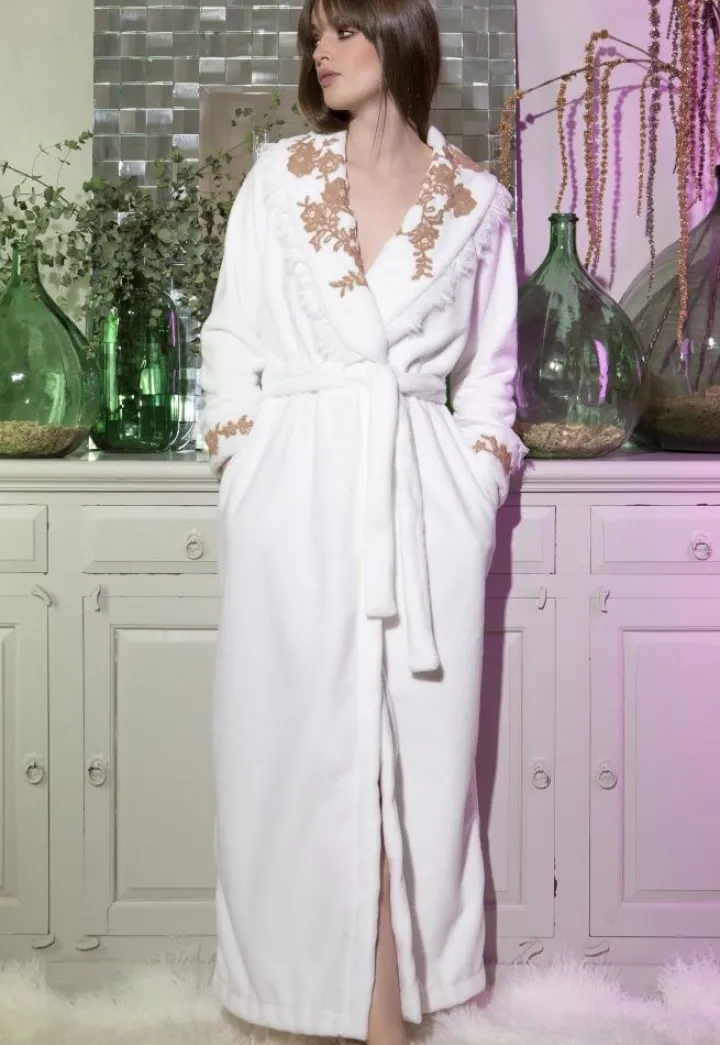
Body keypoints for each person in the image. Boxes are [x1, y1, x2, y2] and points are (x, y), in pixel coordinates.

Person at [199, 0, 526, 1042]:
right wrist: (249, 468)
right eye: (314, 36)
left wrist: (471, 491)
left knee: (412, 766)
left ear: (399, 34)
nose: (322, 51)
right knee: (296, 759)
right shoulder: (279, 179)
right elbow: (230, 338)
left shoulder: (478, 202)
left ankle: (385, 1011)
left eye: (342, 29)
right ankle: (305, 996)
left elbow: (493, 385)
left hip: (421, 511)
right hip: (294, 501)